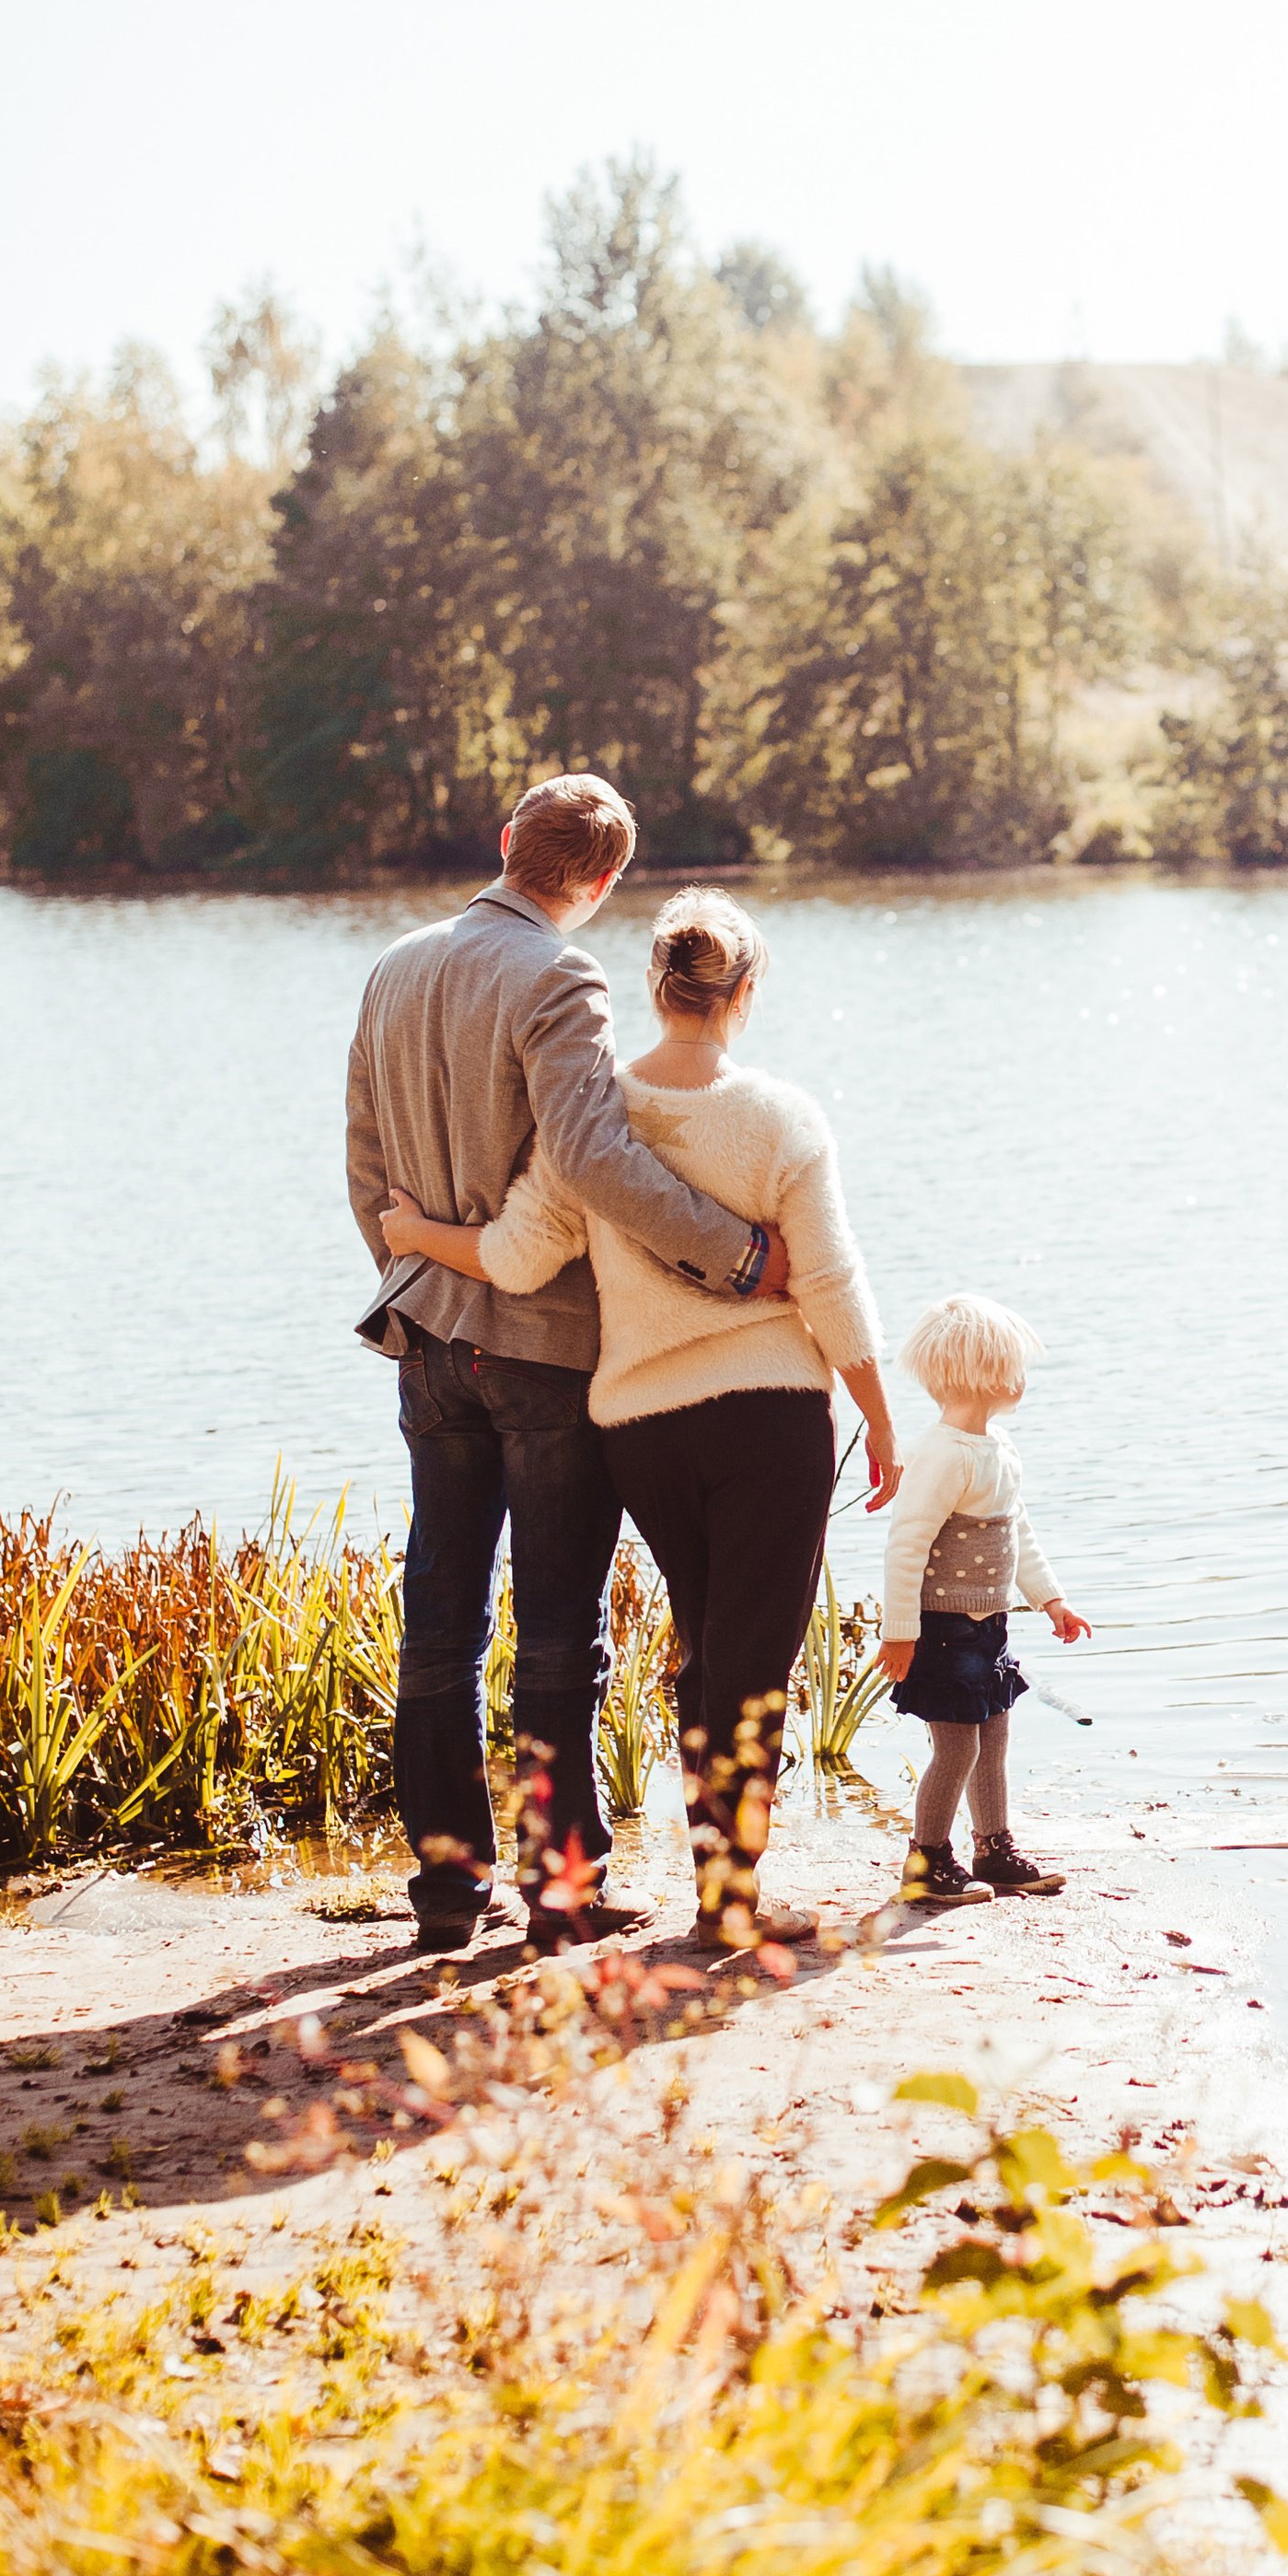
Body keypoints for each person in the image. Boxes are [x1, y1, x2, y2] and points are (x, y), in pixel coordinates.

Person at [378, 884, 899, 1958]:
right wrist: (882, 1421)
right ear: (744, 993)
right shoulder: (780, 1116)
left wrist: (417, 1233)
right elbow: (833, 1287)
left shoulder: (593, 1118)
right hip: (769, 1422)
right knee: (752, 1660)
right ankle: (729, 1898)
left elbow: (520, 1257)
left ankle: (717, 1881)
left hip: (643, 1428)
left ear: (657, 987)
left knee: (705, 1650)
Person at [346, 775, 788, 1954]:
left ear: (505, 845)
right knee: (557, 1627)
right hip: (540, 1348)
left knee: (438, 1616)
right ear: (602, 884)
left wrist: (425, 1281)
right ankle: (559, 1892)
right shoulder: (560, 974)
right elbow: (592, 1158)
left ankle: (445, 1892)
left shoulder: (395, 962)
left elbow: (364, 1159)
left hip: (426, 1338)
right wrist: (736, 1254)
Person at [877, 1293, 1088, 1906]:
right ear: (989, 1373)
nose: (1022, 1379)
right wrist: (900, 1631)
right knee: (957, 1745)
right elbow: (905, 1544)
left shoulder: (997, 1448)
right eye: (1015, 1366)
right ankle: (927, 1859)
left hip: (987, 1627)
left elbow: (1017, 1533)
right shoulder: (941, 1454)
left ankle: (992, 1847)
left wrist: (1051, 1601)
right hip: (941, 1627)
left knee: (994, 1734)